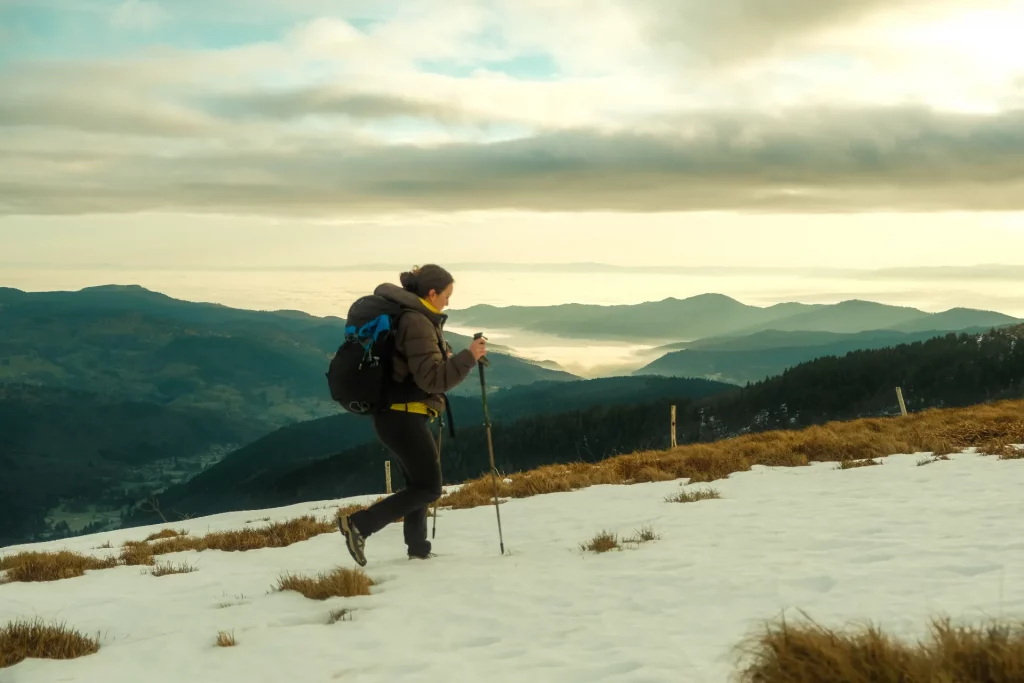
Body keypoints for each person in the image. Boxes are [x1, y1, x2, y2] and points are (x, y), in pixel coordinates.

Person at [338, 264, 487, 565]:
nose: (448, 302)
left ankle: (418, 549)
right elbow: (432, 380)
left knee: (419, 485)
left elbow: (421, 368)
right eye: (447, 295)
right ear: (432, 293)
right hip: (402, 417)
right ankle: (360, 525)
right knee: (430, 487)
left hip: (398, 416)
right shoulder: (417, 322)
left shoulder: (411, 316)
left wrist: (457, 358)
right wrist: (468, 357)